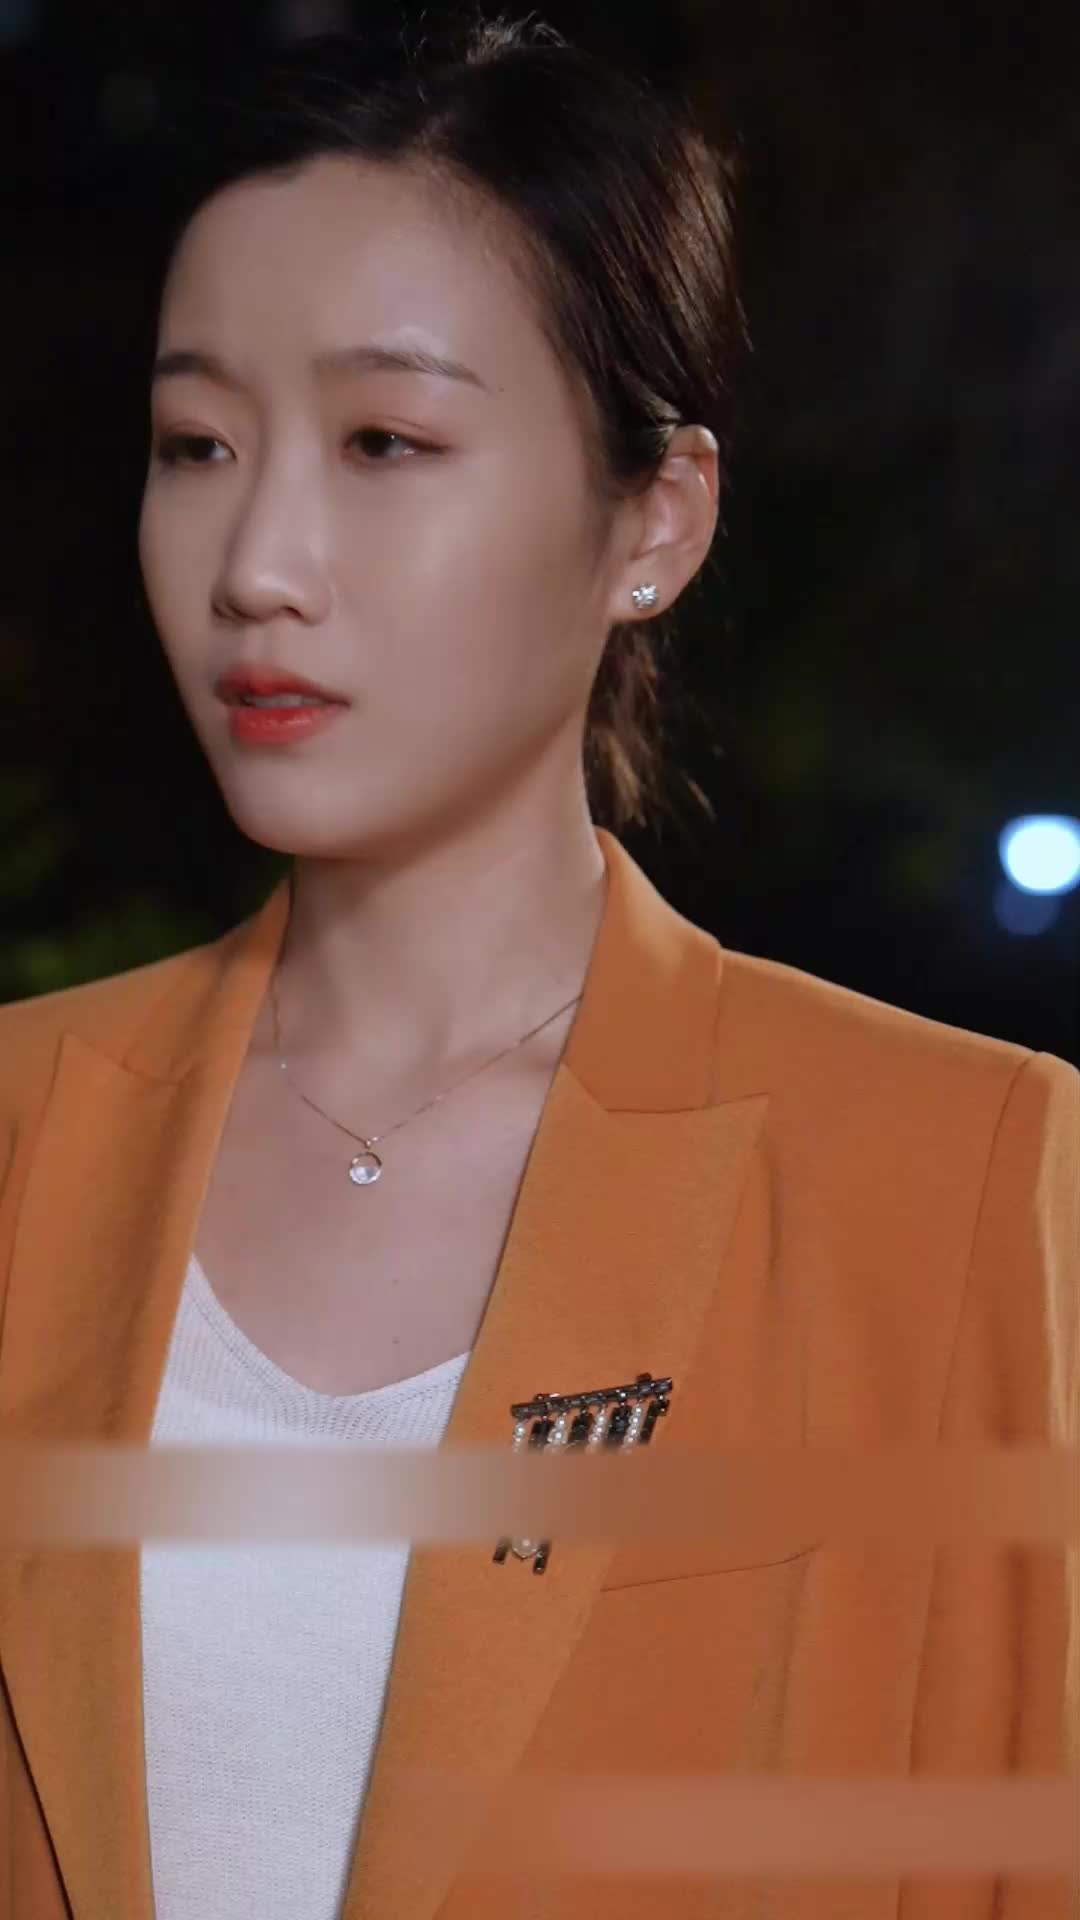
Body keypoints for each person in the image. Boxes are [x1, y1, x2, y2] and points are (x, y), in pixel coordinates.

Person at [0, 15, 1076, 1920]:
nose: (258, 561)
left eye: (385, 442)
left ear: (655, 519)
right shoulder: (19, 1132)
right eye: (197, 444)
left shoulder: (951, 1172)